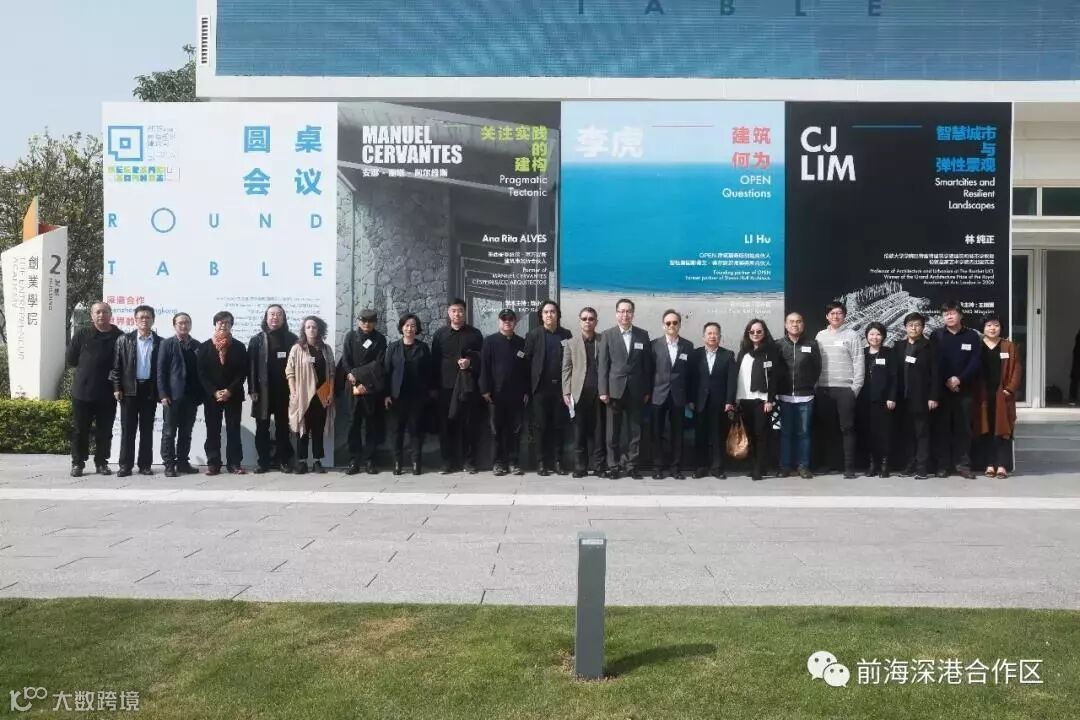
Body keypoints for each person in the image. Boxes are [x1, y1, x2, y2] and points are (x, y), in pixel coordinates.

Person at [598, 298, 653, 479]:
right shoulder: (608, 335)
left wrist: (647, 390)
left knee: (635, 432)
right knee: (612, 432)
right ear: (616, 314)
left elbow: (647, 366)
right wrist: (603, 390)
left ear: (633, 314)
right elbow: (603, 365)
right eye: (621, 311)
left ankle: (632, 465)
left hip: (636, 391)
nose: (625, 314)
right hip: (614, 391)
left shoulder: (642, 335)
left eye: (628, 311)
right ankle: (613, 466)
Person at [67, 302, 123, 477]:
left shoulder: (119, 336)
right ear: (92, 315)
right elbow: (71, 359)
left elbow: (122, 364)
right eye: (97, 312)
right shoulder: (82, 334)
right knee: (80, 430)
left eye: (105, 312)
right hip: (82, 391)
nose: (101, 315)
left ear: (110, 314)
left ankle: (101, 462)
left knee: (105, 431)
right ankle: (78, 463)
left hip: (108, 392)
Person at [431, 299, 484, 474]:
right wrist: (433, 388)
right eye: (453, 311)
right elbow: (434, 361)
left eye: (460, 310)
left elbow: (482, 358)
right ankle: (448, 462)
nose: (457, 314)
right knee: (446, 426)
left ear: (465, 312)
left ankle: (470, 462)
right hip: (445, 387)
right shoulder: (440, 335)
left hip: (468, 387)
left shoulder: (475, 334)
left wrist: (470, 362)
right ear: (448, 313)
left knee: (469, 425)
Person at [930, 301, 981, 479]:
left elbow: (975, 361)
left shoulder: (971, 335)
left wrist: (959, 379)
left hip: (964, 389)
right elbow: (934, 362)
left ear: (960, 315)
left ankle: (963, 465)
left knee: (964, 429)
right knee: (942, 428)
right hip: (942, 390)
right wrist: (947, 380)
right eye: (946, 314)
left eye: (952, 313)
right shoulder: (936, 335)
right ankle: (942, 465)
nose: (949, 317)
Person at [110, 304, 162, 477]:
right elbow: (116, 367)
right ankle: (125, 465)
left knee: (147, 430)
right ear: (135, 320)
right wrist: (117, 387)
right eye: (141, 317)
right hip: (129, 390)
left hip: (149, 390)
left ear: (153, 320)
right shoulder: (124, 340)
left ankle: (145, 465)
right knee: (128, 430)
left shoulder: (160, 342)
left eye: (148, 317)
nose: (144, 320)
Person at [814, 302, 864, 478]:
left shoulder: (852, 335)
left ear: (844, 316)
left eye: (839, 313)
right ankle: (831, 464)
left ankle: (849, 467)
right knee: (828, 429)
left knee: (847, 429)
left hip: (845, 389)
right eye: (832, 313)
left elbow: (858, 361)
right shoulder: (820, 336)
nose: (836, 316)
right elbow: (816, 362)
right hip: (824, 389)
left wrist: (855, 388)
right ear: (827, 316)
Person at [248, 304, 298, 474]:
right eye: (272, 314)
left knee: (283, 427)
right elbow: (251, 367)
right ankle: (263, 462)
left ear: (283, 318)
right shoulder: (257, 340)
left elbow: (297, 367)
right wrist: (252, 389)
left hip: (284, 392)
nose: (275, 317)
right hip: (262, 392)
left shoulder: (292, 339)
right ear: (266, 317)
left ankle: (283, 460)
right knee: (262, 427)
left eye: (278, 314)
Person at [197, 311, 249, 475]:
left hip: (233, 395)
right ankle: (213, 463)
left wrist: (229, 390)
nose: (223, 325)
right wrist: (214, 392)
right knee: (213, 430)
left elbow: (242, 372)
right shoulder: (204, 347)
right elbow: (201, 373)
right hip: (212, 397)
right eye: (220, 322)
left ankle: (234, 463)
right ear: (215, 325)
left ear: (231, 325)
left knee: (233, 430)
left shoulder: (239, 346)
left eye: (227, 322)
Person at [524, 299, 572, 475]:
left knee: (559, 426)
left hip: (560, 390)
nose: (549, 315)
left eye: (552, 311)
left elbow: (571, 361)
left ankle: (558, 461)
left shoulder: (566, 334)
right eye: (546, 312)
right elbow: (526, 362)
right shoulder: (534, 335)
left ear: (558, 315)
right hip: (540, 390)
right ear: (541, 316)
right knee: (540, 426)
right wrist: (527, 390)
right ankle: (541, 462)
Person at [480, 309, 529, 476]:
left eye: (510, 319)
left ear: (515, 322)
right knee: (496, 430)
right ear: (499, 321)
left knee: (515, 430)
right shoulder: (490, 341)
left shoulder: (521, 342)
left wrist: (526, 391)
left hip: (516, 395)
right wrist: (485, 390)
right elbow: (484, 367)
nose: (507, 322)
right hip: (495, 395)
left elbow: (526, 369)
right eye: (504, 319)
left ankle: (514, 463)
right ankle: (498, 463)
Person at [973, 314, 1022, 479]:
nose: (992, 328)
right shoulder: (977, 345)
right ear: (983, 328)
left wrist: (1010, 389)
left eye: (996, 325)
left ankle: (1002, 465)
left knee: (1003, 430)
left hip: (1003, 394)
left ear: (1001, 328)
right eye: (989, 325)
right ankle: (988, 464)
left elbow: (1017, 369)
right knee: (986, 429)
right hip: (983, 395)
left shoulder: (1009, 346)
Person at [340, 308, 388, 474]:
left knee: (371, 424)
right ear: (358, 321)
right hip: (352, 385)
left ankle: (370, 460)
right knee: (353, 424)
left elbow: (378, 363)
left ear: (375, 323)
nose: (367, 324)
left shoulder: (380, 339)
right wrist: (351, 375)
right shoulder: (350, 336)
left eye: (370, 321)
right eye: (363, 321)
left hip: (370, 387)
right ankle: (354, 460)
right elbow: (345, 360)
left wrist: (360, 377)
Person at [286, 315, 335, 474]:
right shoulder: (297, 348)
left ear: (319, 329)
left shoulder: (326, 349)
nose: (311, 330)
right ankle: (301, 461)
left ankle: (317, 461)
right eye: (308, 327)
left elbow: (332, 373)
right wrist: (294, 392)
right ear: (304, 330)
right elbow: (290, 372)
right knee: (303, 428)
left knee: (318, 429)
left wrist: (330, 392)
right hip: (303, 394)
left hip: (322, 393)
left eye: (314, 327)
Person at [383, 313, 431, 476]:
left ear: (417, 329)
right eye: (407, 325)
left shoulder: (423, 347)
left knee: (415, 430)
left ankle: (416, 462)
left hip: (417, 396)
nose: (410, 328)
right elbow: (387, 372)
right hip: (396, 397)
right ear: (402, 328)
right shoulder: (393, 347)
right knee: (397, 431)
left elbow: (429, 371)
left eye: (413, 326)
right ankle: (397, 463)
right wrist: (386, 394)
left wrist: (428, 392)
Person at [157, 312, 204, 477]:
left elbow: (201, 372)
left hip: (191, 397)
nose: (184, 325)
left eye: (187, 323)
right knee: (169, 432)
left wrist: (201, 395)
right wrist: (163, 394)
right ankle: (169, 464)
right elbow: (161, 371)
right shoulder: (166, 344)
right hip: (172, 396)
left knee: (186, 432)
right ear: (174, 325)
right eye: (180, 323)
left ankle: (183, 462)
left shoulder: (197, 345)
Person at [776, 312, 822, 479]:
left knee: (804, 433)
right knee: (786, 433)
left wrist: (809, 385)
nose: (795, 324)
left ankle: (803, 466)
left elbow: (817, 368)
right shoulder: (778, 345)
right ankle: (785, 466)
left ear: (803, 324)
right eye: (791, 322)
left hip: (805, 397)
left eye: (798, 321)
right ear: (786, 325)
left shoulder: (812, 344)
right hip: (784, 397)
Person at [562, 307, 606, 478]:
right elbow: (566, 369)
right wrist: (566, 391)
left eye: (591, 319)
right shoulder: (571, 343)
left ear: (596, 322)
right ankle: (580, 467)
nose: (588, 322)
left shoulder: (603, 340)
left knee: (599, 433)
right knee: (579, 433)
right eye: (585, 319)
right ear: (580, 321)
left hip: (600, 394)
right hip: (578, 394)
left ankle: (599, 466)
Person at [650, 310, 694, 479]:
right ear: (663, 325)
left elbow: (690, 374)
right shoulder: (654, 345)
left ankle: (675, 468)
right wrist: (647, 393)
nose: (672, 325)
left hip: (679, 396)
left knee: (678, 433)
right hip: (658, 394)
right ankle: (657, 467)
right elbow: (648, 371)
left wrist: (690, 398)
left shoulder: (688, 346)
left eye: (675, 322)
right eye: (668, 323)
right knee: (657, 433)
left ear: (679, 325)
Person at [691, 321, 737, 479]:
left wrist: (729, 401)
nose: (712, 336)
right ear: (703, 336)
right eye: (709, 333)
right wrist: (690, 400)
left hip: (720, 403)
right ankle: (701, 467)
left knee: (718, 436)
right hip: (699, 402)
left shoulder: (728, 355)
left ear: (720, 337)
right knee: (700, 435)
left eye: (715, 333)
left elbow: (732, 381)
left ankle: (717, 468)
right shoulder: (695, 355)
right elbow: (691, 379)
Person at [896, 312, 939, 480]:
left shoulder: (930, 347)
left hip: (922, 398)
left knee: (922, 433)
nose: (913, 328)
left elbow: (936, 374)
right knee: (907, 434)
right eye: (910, 325)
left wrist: (933, 396)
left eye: (917, 325)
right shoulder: (899, 346)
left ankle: (922, 467)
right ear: (905, 327)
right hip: (903, 398)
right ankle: (909, 465)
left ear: (923, 327)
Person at [734, 319, 779, 481]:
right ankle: (754, 465)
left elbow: (774, 378)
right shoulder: (743, 352)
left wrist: (770, 400)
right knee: (749, 434)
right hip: (745, 399)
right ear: (748, 333)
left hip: (762, 400)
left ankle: (759, 468)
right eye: (752, 331)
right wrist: (735, 399)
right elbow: (737, 376)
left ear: (764, 333)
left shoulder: (770, 352)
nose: (755, 334)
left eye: (759, 331)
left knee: (761, 434)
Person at [858, 322, 898, 478]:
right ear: (866, 336)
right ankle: (872, 464)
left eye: (878, 334)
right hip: (864, 400)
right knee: (869, 433)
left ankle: (884, 464)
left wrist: (892, 397)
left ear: (883, 336)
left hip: (884, 401)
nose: (875, 337)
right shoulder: (861, 353)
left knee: (884, 433)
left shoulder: (889, 353)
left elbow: (894, 378)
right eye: (872, 334)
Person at [1070, 329, 1080, 406]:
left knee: (1074, 381)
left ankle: (1072, 398)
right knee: (1075, 380)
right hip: (1077, 365)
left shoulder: (1077, 345)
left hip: (1076, 365)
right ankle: (1072, 398)